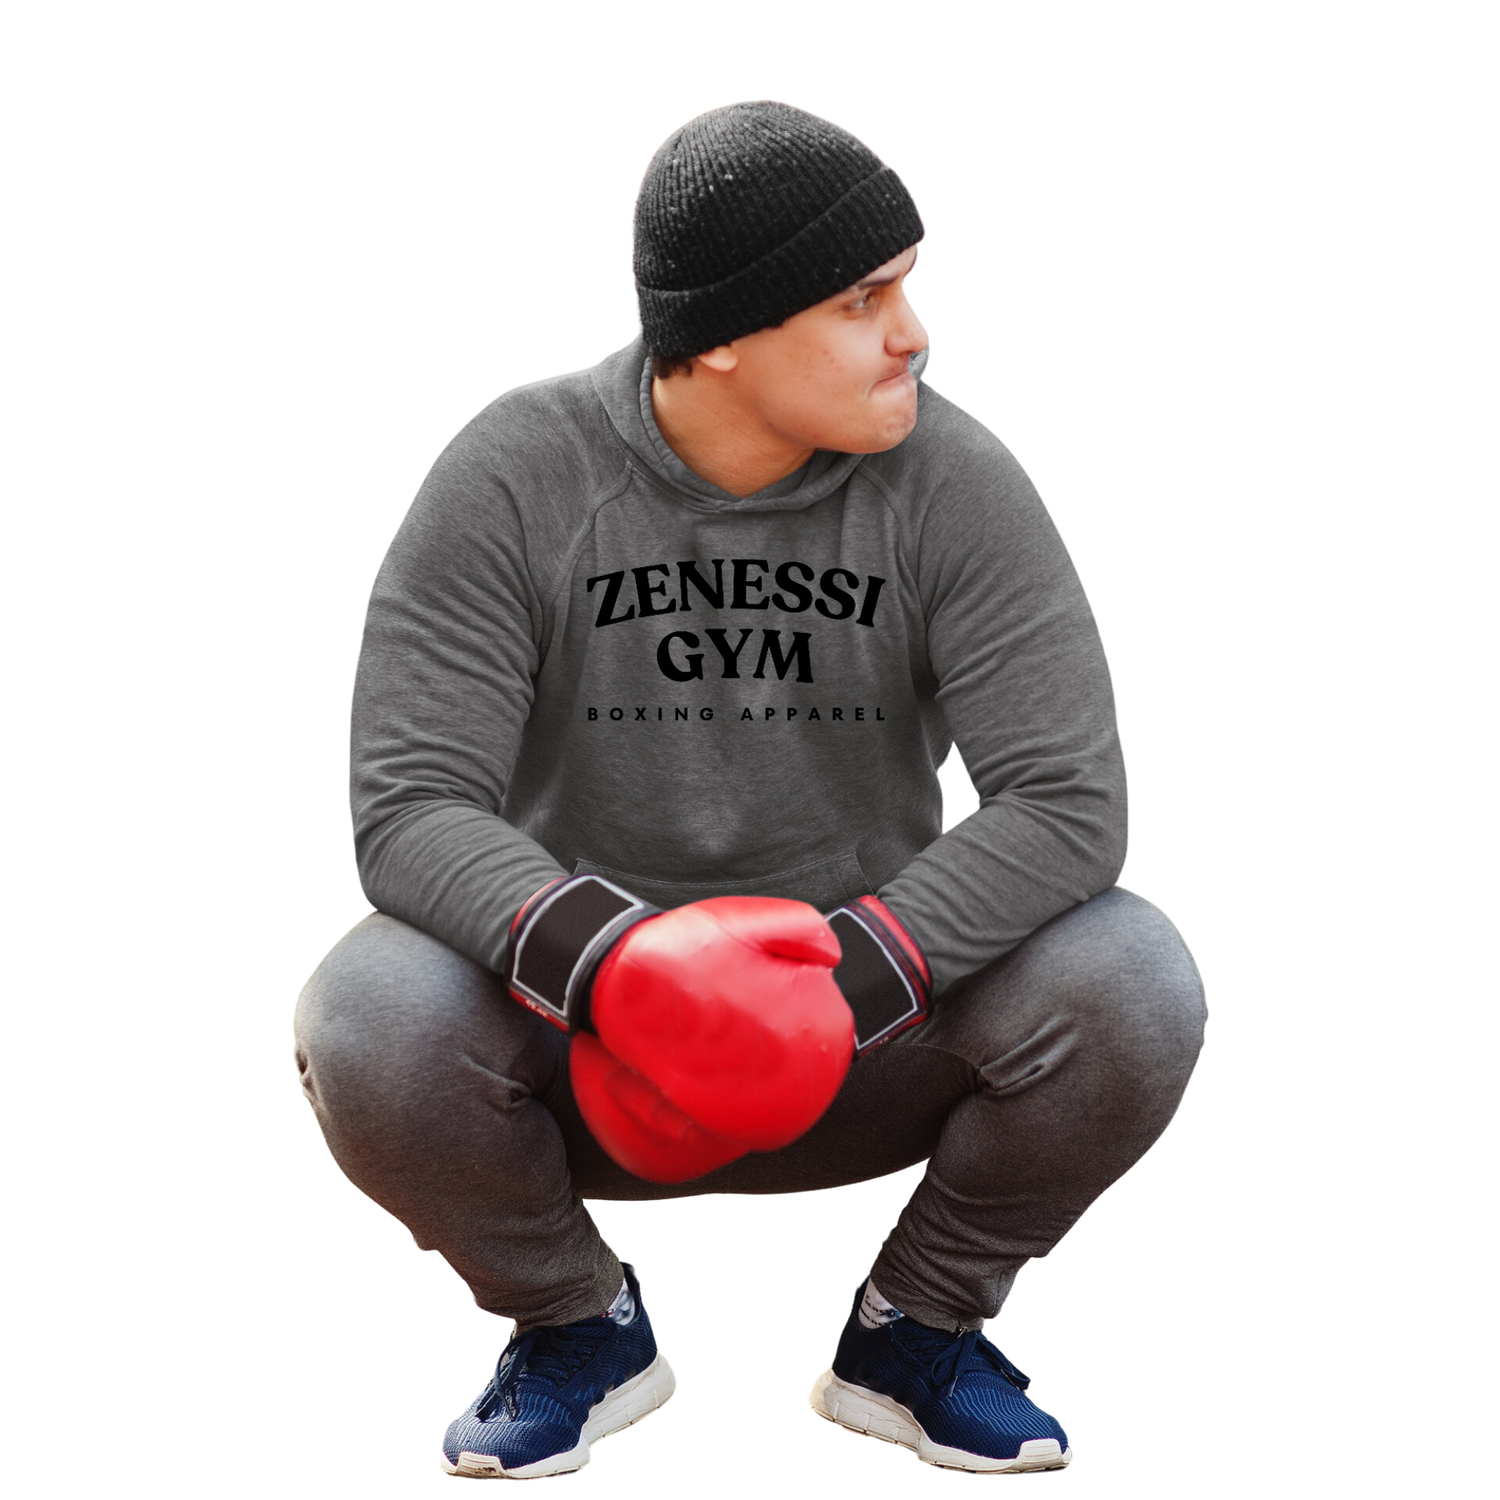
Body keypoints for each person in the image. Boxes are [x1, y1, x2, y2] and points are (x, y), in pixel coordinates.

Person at [290, 96, 1210, 1482]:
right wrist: (619, 968)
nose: (914, 335)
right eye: (862, 301)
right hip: (589, 1051)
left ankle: (915, 1332)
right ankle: (574, 1322)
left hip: (863, 1031)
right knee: (363, 1015)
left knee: (1135, 976)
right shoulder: (512, 468)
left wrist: (840, 981)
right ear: (720, 336)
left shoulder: (956, 476)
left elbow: (1069, 800)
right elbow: (410, 803)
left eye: (909, 287)